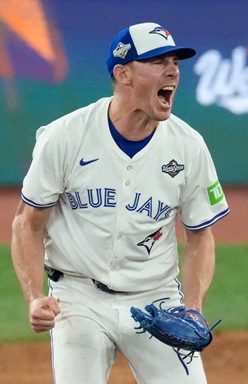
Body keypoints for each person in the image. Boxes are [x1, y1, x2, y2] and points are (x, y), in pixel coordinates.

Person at [11, 22, 230, 384]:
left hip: (157, 301)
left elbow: (200, 236)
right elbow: (26, 224)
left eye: (175, 62)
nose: (173, 71)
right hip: (77, 298)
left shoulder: (188, 146)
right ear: (123, 73)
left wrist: (192, 309)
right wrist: (35, 296)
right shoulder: (65, 137)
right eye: (158, 61)